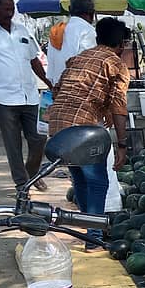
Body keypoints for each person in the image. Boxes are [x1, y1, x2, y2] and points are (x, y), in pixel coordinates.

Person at [49, 17, 131, 251]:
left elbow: (58, 90)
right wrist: (122, 144)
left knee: (81, 179)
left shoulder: (79, 58)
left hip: (57, 127)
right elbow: (119, 106)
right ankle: (94, 235)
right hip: (82, 128)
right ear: (122, 44)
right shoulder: (115, 64)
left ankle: (89, 232)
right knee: (97, 182)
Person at [0, 0, 53, 192]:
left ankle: (31, 171)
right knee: (13, 144)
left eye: (12, 8)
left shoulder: (22, 30)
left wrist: (48, 82)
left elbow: (34, 60)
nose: (10, 13)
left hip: (30, 96)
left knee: (40, 137)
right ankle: (21, 184)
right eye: (6, 9)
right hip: (3, 98)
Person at [46, 0, 96, 85]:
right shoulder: (88, 31)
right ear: (92, 12)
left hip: (58, 89)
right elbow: (89, 67)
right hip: (77, 90)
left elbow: (51, 68)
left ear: (69, 9)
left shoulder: (56, 31)